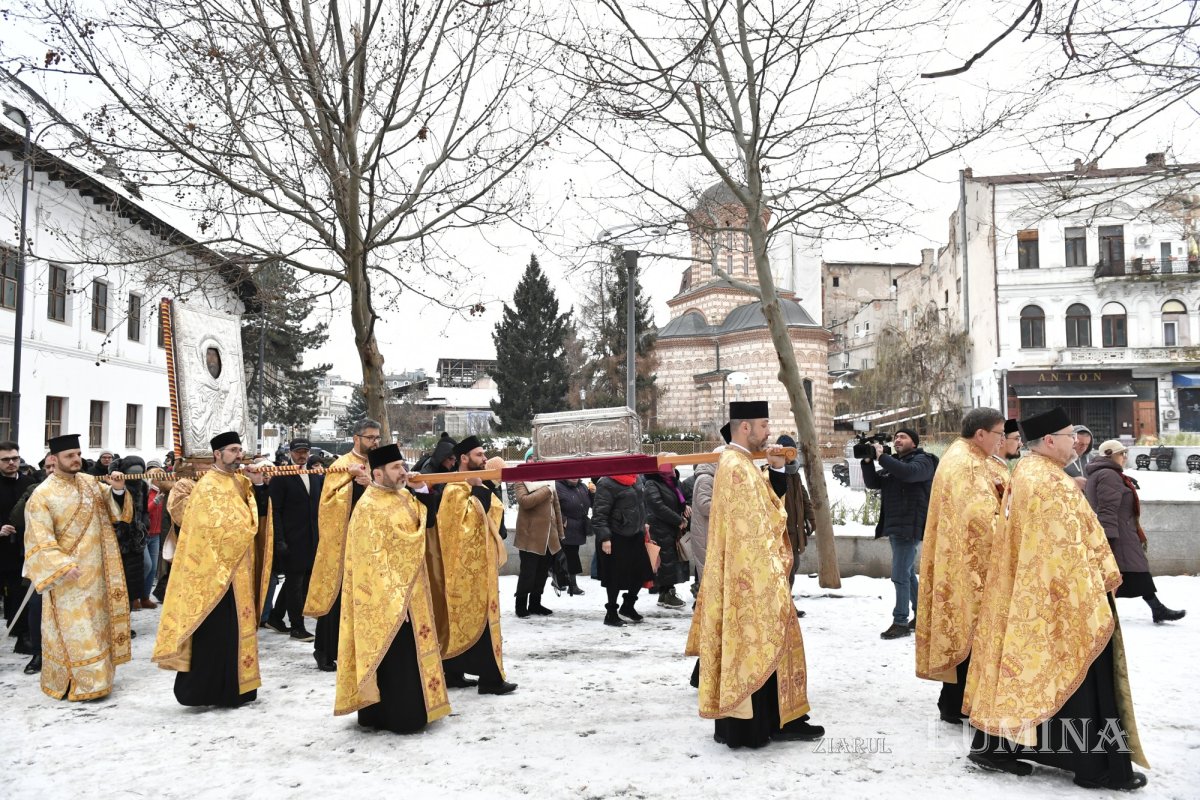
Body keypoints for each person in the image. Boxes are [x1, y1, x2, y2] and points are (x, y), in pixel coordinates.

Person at [964, 407, 1148, 790]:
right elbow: (1064, 551)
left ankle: (999, 747)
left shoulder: (1032, 473)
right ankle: (1093, 766)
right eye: (1069, 437)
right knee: (1079, 677)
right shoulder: (1048, 483)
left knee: (1031, 676)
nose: (1077, 443)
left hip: (1037, 595)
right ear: (1049, 441)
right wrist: (1093, 590)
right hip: (1062, 600)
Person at [685, 401, 823, 749]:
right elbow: (756, 526)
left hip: (757, 574)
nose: (767, 432)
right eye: (763, 425)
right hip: (751, 579)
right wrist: (772, 569)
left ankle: (777, 720)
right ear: (744, 427)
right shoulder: (734, 466)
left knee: (771, 644)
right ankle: (752, 726)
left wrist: (776, 470)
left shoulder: (744, 464)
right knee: (755, 645)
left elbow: (766, 506)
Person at [334, 444, 451, 733]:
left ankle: (414, 709)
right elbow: (369, 560)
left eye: (402, 465)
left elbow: (428, 523)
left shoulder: (404, 497)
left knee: (410, 655)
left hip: (414, 592)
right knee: (394, 658)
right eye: (396, 467)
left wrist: (423, 491)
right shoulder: (368, 507)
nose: (404, 471)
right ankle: (395, 716)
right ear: (378, 473)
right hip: (387, 597)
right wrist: (394, 598)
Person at [152, 431, 271, 708]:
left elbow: (257, 517)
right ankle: (205, 691)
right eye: (232, 450)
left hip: (238, 572)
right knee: (214, 634)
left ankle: (239, 689)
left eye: (240, 449)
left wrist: (259, 485)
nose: (238, 455)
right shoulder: (205, 487)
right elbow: (204, 529)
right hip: (212, 574)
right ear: (217, 454)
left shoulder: (242, 483)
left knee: (236, 634)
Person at [915, 408, 1008, 725]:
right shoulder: (966, 464)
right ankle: (957, 703)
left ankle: (955, 702)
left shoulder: (967, 456)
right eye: (999, 434)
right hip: (969, 565)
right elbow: (980, 521)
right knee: (971, 632)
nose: (1002, 441)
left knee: (968, 632)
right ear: (981, 434)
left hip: (962, 562)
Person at [22, 434, 132, 700]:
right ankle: (79, 684)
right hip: (69, 576)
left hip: (100, 572)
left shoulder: (88, 482)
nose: (76, 460)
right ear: (53, 459)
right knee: (75, 632)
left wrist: (117, 489)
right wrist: (60, 566)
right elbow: (39, 537)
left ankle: (101, 679)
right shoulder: (42, 494)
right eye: (70, 455)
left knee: (97, 628)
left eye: (78, 454)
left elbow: (114, 509)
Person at [436, 436, 517, 695]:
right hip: (462, 570)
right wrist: (479, 490)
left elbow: (493, 514)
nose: (484, 459)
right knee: (470, 620)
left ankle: (455, 672)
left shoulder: (469, 485)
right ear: (464, 458)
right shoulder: (453, 489)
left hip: (478, 566)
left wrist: (481, 489)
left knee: (474, 621)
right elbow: (469, 526)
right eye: (480, 455)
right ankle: (489, 680)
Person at [305, 419, 379, 672]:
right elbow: (327, 504)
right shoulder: (341, 465)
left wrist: (372, 483)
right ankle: (325, 650)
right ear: (356, 438)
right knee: (335, 597)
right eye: (370, 438)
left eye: (377, 438)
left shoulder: (378, 464)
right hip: (344, 543)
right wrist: (351, 482)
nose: (375, 442)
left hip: (369, 544)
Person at [1084, 440, 1185, 624]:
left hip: (1123, 532)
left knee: (1134, 573)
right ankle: (1101, 615)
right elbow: (1107, 509)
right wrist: (1109, 539)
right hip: (1118, 534)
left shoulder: (1108, 474)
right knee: (1123, 574)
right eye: (1121, 453)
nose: (1124, 457)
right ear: (1110, 454)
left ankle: (1157, 609)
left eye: (1125, 453)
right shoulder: (1108, 475)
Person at [860, 428, 938, 639]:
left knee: (899, 575)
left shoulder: (924, 461)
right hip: (896, 525)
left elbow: (909, 474)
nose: (897, 440)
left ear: (914, 442)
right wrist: (868, 462)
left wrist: (882, 457)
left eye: (903, 437)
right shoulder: (895, 464)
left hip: (910, 525)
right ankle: (922, 616)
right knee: (907, 573)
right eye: (895, 437)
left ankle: (900, 621)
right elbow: (873, 483)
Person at [267, 438, 323, 642]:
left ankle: (275, 617)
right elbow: (276, 511)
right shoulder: (281, 477)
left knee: (297, 581)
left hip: (312, 538)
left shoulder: (315, 476)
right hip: (292, 539)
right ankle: (297, 626)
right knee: (295, 582)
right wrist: (279, 539)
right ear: (291, 453)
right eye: (298, 452)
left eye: (305, 452)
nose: (302, 455)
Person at [8, 452, 56, 673]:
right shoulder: (32, 489)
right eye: (47, 467)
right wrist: (33, 497)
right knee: (36, 608)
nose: (52, 471)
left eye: (55, 466)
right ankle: (38, 654)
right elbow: (17, 519)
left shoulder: (79, 490)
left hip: (72, 563)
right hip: (40, 561)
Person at [764, 434, 815, 618]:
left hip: (795, 531)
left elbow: (804, 498)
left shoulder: (794, 474)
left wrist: (811, 519)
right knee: (784, 570)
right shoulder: (770, 472)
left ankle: (786, 604)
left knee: (793, 568)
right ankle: (781, 608)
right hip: (781, 532)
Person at [593, 472, 653, 627]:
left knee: (642, 572)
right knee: (615, 577)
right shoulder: (606, 482)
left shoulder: (636, 478)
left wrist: (643, 522)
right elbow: (599, 513)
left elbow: (641, 504)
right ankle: (611, 613)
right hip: (615, 536)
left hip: (636, 534)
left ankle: (628, 606)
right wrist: (605, 538)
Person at [512, 449, 566, 618]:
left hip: (549, 538)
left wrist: (560, 534)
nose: (534, 463)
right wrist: (546, 490)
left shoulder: (548, 480)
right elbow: (525, 502)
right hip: (530, 538)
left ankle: (535, 603)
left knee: (542, 573)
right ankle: (520, 605)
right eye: (531, 459)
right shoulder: (522, 480)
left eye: (537, 460)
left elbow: (556, 508)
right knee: (528, 573)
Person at [0, 439, 37, 656]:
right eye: (6, 460)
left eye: (15, 458)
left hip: (21, 551)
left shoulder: (28, 483)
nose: (12, 463)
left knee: (19, 594)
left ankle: (22, 637)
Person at [111, 455, 155, 612]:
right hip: (120, 536)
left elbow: (143, 508)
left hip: (138, 535)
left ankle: (135, 597)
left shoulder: (142, 485)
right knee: (124, 575)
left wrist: (144, 522)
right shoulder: (116, 485)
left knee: (146, 566)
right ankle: (131, 600)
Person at [644, 463, 690, 609]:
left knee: (670, 560)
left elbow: (681, 499)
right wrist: (678, 519)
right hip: (660, 528)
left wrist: (686, 506)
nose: (672, 469)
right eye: (669, 465)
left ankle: (665, 593)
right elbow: (657, 506)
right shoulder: (652, 483)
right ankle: (668, 593)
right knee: (665, 562)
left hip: (670, 528)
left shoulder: (673, 482)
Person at [555, 477, 591, 596]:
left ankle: (566, 582)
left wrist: (594, 493)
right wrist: (563, 520)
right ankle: (567, 583)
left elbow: (591, 503)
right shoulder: (558, 486)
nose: (574, 478)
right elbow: (554, 506)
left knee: (572, 555)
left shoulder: (582, 487)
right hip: (565, 527)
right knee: (567, 556)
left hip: (578, 526)